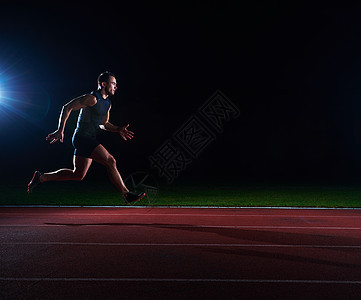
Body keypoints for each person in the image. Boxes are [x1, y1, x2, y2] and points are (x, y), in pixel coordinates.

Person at [27, 71, 145, 204]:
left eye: (116, 84)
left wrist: (118, 129)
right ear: (104, 84)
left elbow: (103, 124)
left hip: (88, 138)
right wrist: (61, 129)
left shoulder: (107, 103)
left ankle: (41, 177)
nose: (115, 87)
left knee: (78, 175)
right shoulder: (92, 98)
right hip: (82, 138)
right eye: (113, 83)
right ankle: (126, 194)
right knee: (111, 161)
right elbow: (67, 107)